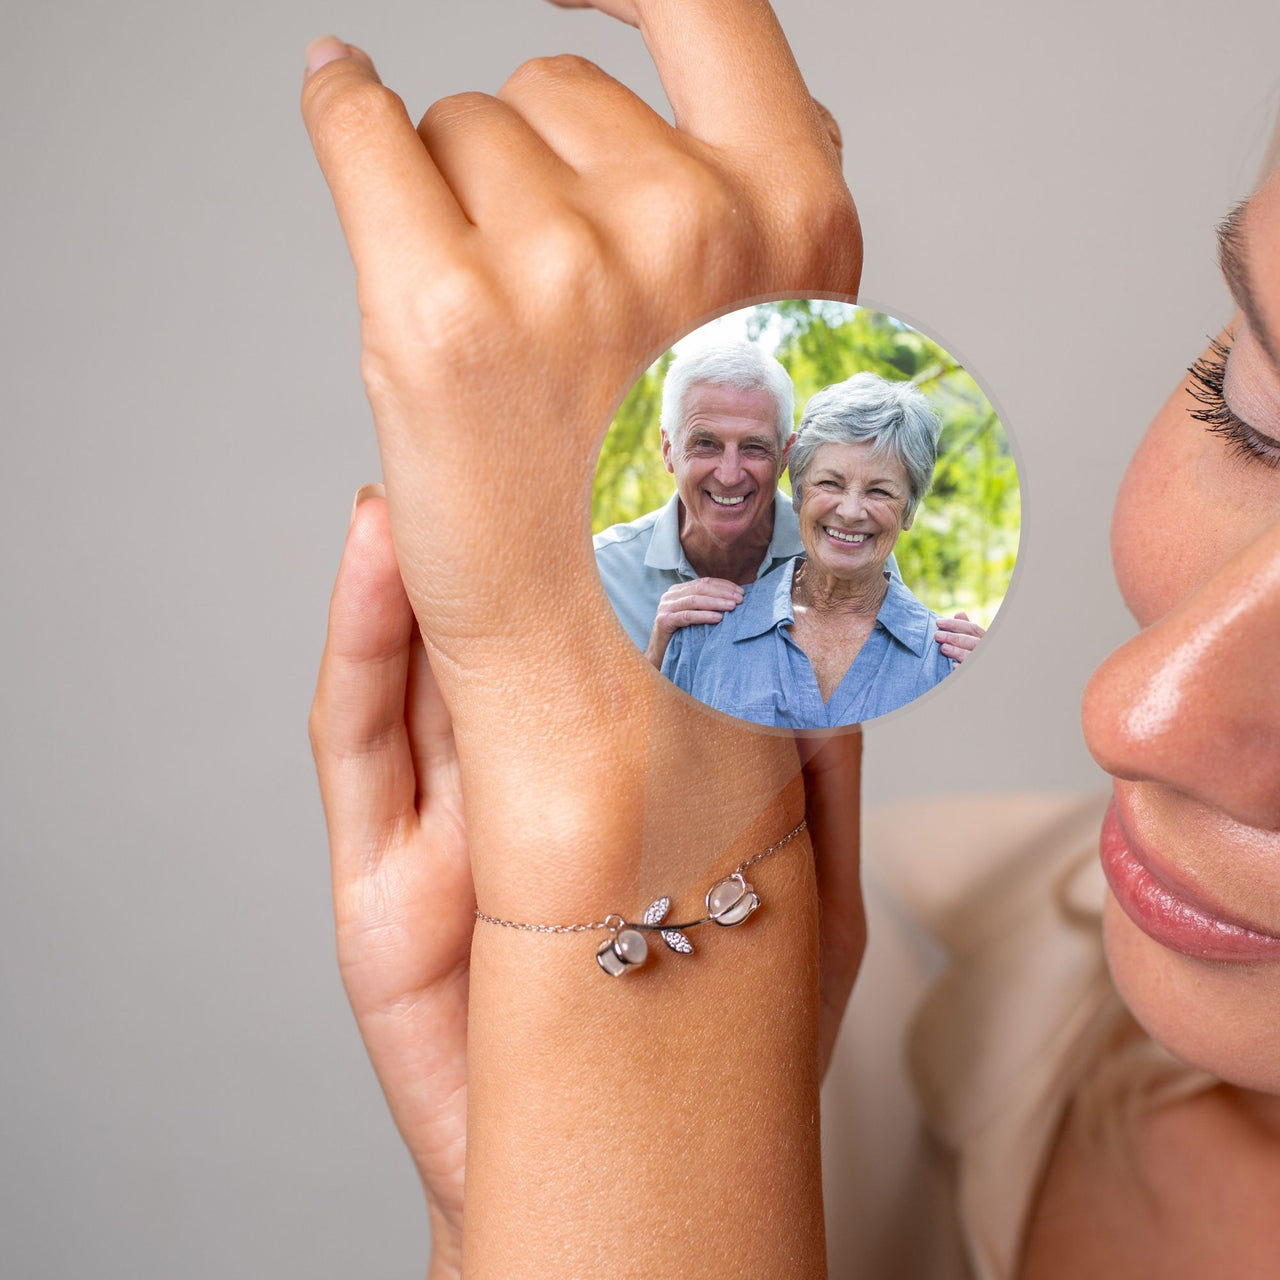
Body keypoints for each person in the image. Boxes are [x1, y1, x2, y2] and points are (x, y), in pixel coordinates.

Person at [301, 1, 866, 1275]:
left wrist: (600, 806)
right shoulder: (975, 967)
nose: (1131, 706)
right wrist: (518, 1183)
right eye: (1249, 412)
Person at [593, 341, 985, 668]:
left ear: (786, 457)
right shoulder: (600, 572)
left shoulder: (846, 546)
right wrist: (657, 658)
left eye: (754, 447)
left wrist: (957, 670)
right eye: (706, 444)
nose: (729, 474)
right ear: (668, 450)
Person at [663, 372, 954, 727]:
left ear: (908, 511)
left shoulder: (948, 662)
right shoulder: (702, 635)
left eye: (880, 492)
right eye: (830, 483)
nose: (850, 511)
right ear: (798, 494)